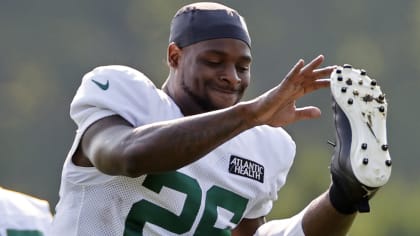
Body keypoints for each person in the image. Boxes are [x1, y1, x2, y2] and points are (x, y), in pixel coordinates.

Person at [50, 2, 391, 235]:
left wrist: (342, 198)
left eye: (243, 67)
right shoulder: (127, 94)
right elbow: (127, 155)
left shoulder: (264, 146)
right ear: (174, 55)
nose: (232, 76)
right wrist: (251, 114)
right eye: (215, 61)